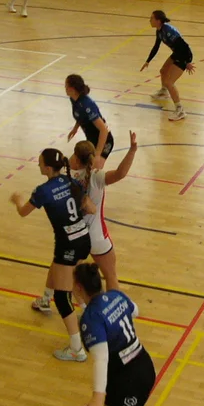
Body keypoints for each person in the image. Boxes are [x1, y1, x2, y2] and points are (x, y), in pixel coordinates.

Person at [32, 132, 139, 314]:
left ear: (75, 157)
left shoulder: (66, 177)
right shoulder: (97, 177)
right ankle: (117, 313)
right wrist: (132, 150)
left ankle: (47, 299)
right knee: (111, 276)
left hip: (75, 237)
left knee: (58, 268)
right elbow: (121, 173)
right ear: (91, 158)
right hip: (97, 236)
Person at [10, 148, 95, 361]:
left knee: (63, 295)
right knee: (60, 269)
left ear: (48, 168)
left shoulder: (43, 191)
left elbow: (23, 212)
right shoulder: (72, 182)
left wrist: (17, 199)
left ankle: (77, 348)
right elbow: (89, 207)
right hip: (84, 239)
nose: (38, 165)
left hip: (67, 244)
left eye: (39, 163)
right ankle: (45, 300)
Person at [76, 263, 155, 406]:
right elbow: (135, 310)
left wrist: (97, 397)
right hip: (144, 365)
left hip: (127, 380)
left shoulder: (90, 319)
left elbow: (101, 359)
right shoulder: (115, 296)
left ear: (80, 288)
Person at [140, 10, 195, 122]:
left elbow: (183, 47)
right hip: (177, 53)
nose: (150, 20)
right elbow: (156, 46)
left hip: (184, 55)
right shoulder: (159, 31)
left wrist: (186, 63)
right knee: (163, 71)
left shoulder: (168, 31)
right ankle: (163, 92)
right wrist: (148, 61)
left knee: (170, 82)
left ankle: (180, 110)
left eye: (151, 18)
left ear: (158, 21)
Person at [65, 74, 113, 167]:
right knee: (70, 167)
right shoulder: (73, 99)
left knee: (94, 171)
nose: (65, 88)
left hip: (104, 142)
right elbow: (80, 115)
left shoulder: (87, 105)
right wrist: (75, 128)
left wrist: (98, 154)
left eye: (66, 85)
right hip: (90, 141)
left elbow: (103, 130)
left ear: (72, 89)